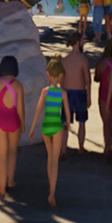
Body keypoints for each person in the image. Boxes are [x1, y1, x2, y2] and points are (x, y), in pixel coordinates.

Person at [0, 56, 24, 202]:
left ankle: (2, 187)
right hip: (13, 119)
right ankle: (10, 180)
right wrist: (23, 124)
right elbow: (20, 108)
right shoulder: (18, 86)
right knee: (12, 151)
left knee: (2, 153)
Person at [39, 56, 70, 206]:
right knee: (55, 161)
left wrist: (32, 129)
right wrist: (68, 126)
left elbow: (39, 111)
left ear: (48, 74)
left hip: (46, 126)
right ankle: (52, 193)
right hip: (57, 127)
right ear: (61, 75)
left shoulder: (45, 91)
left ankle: (50, 185)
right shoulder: (62, 93)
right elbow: (67, 115)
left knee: (49, 157)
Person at [61, 32, 91, 156]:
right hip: (79, 93)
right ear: (78, 42)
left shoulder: (64, 60)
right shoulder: (83, 60)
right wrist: (89, 97)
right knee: (82, 122)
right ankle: (80, 147)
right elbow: (88, 81)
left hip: (66, 93)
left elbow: (61, 80)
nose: (84, 42)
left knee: (65, 123)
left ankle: (63, 149)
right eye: (82, 40)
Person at [93, 41, 112, 152]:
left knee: (106, 122)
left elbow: (97, 78)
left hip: (104, 93)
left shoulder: (101, 64)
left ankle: (107, 146)